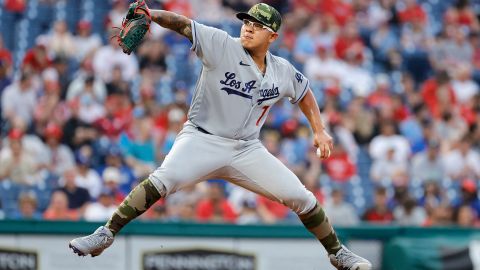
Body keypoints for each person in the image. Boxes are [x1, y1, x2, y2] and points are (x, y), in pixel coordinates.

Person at [69, 2, 372, 269]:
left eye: (258, 26)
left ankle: (338, 254)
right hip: (202, 139)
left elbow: (304, 93)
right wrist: (152, 14)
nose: (249, 29)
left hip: (246, 149)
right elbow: (184, 24)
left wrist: (319, 130)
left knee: (300, 197)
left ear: (273, 36)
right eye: (247, 23)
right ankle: (106, 233)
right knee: (161, 180)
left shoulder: (281, 70)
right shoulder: (222, 44)